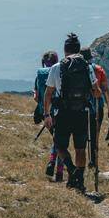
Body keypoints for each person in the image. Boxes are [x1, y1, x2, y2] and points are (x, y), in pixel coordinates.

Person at [43, 33, 99, 194]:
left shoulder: (57, 67)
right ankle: (79, 179)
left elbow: (48, 93)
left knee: (60, 145)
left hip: (63, 113)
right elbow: (96, 92)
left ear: (65, 50)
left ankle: (71, 169)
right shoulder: (87, 67)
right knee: (80, 148)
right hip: (82, 112)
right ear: (78, 50)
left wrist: (47, 115)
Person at [33, 50, 65, 182]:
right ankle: (59, 172)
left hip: (45, 113)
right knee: (61, 141)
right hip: (59, 111)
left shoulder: (39, 75)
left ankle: (53, 162)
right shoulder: (59, 72)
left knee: (56, 139)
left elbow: (36, 97)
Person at [80, 47, 109, 166]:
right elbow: (105, 91)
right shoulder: (99, 70)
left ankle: (82, 160)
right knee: (95, 134)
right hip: (97, 106)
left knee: (83, 134)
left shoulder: (77, 70)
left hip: (81, 106)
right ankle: (94, 161)